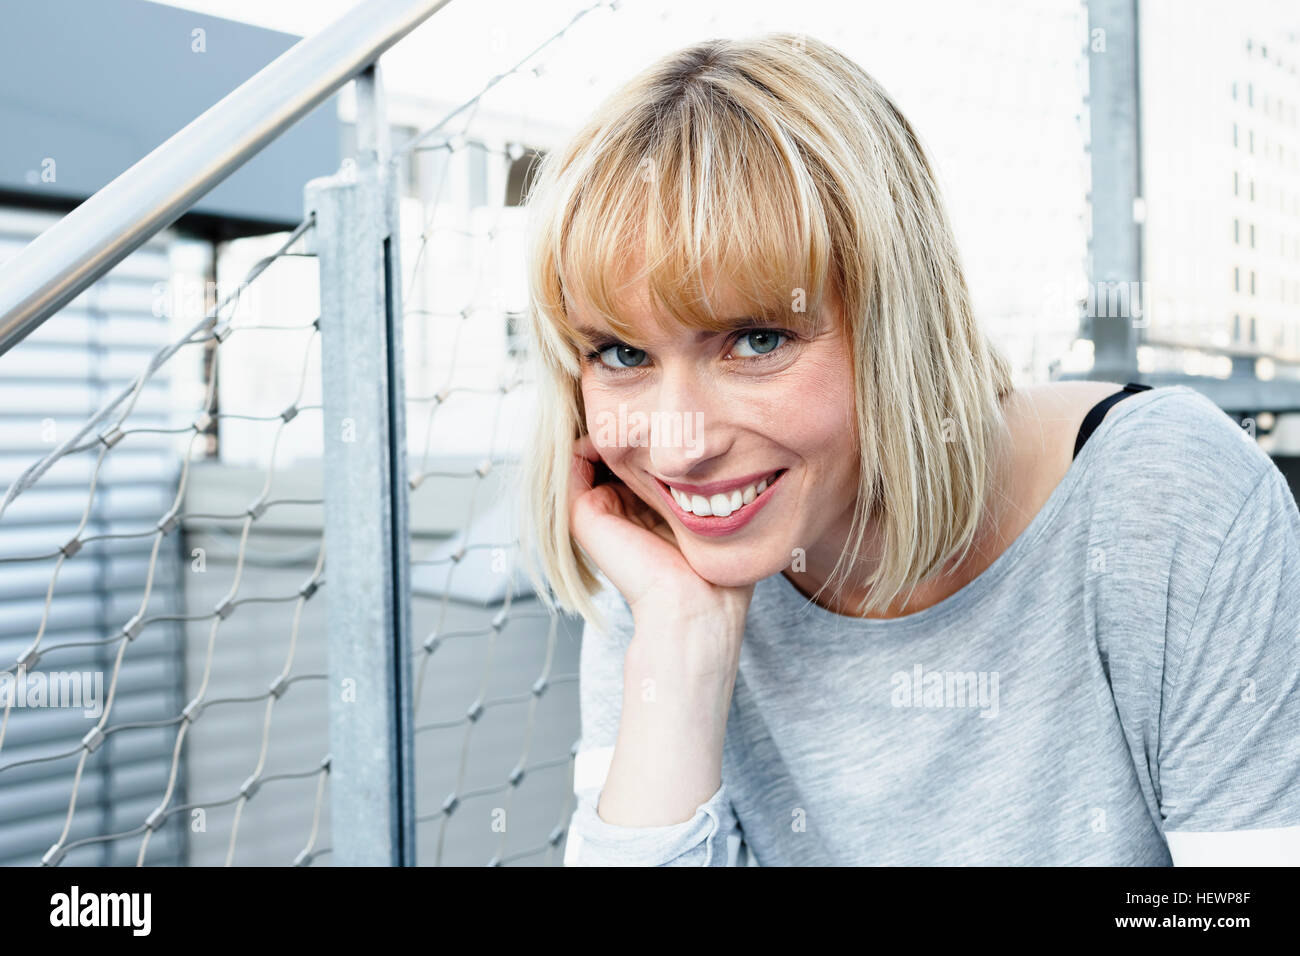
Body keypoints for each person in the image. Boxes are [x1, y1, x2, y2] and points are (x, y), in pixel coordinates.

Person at [517, 33, 1300, 865]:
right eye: (623, 354)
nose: (679, 450)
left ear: (901, 321)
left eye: (754, 340)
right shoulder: (664, 557)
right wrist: (679, 647)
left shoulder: (1166, 500)